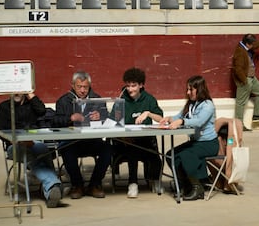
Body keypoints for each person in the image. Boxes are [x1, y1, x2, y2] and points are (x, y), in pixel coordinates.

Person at [0, 93, 62, 208]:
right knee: (29, 155)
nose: (16, 92)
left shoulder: (31, 106)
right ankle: (53, 184)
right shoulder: (3, 107)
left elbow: (42, 111)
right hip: (13, 146)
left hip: (34, 142)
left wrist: (30, 93)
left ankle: (50, 190)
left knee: (43, 148)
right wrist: (16, 140)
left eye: (20, 89)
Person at [52, 71, 111, 199]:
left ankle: (95, 184)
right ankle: (77, 184)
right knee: (66, 149)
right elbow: (55, 121)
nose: (83, 90)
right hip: (72, 141)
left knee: (107, 149)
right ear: (73, 85)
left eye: (86, 87)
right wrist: (70, 118)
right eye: (79, 87)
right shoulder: (63, 101)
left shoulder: (97, 99)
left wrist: (101, 116)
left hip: (92, 140)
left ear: (90, 86)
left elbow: (108, 117)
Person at [160, 75, 219, 201]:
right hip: (196, 142)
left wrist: (181, 122)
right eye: (187, 89)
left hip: (208, 144)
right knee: (171, 154)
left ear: (200, 89)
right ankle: (185, 184)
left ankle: (197, 187)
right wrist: (170, 118)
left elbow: (198, 121)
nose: (188, 92)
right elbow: (180, 116)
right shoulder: (191, 104)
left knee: (186, 155)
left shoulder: (208, 105)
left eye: (191, 90)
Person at [110, 67, 163, 198]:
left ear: (141, 85)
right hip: (125, 142)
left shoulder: (149, 99)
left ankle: (154, 179)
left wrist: (148, 113)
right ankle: (132, 183)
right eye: (128, 86)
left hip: (146, 141)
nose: (130, 89)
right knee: (132, 151)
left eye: (133, 86)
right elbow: (111, 124)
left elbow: (161, 119)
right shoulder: (121, 101)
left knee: (156, 157)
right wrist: (122, 137)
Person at [231, 32, 259, 131]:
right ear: (248, 44)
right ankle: (238, 125)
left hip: (251, 78)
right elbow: (237, 69)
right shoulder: (240, 52)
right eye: (252, 44)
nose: (254, 45)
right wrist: (244, 81)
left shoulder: (246, 46)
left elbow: (256, 45)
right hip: (245, 79)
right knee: (241, 103)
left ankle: (256, 115)